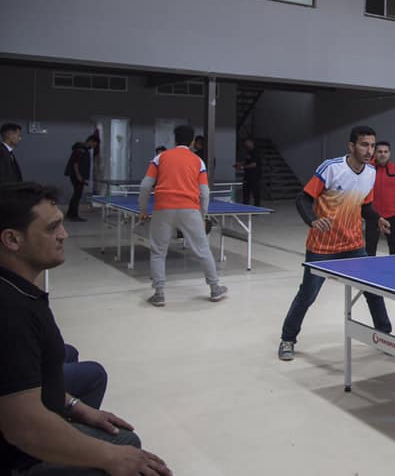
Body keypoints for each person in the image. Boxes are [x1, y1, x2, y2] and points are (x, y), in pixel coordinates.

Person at [0, 182, 172, 476]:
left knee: (82, 366)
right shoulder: (11, 311)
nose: (64, 235)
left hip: (29, 418)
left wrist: (75, 406)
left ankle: (64, 427)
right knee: (128, 443)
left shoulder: (18, 289)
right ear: (12, 239)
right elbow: (23, 426)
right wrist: (111, 456)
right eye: (52, 228)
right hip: (16, 457)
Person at [278, 126, 393, 361]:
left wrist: (377, 218)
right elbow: (303, 199)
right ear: (351, 146)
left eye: (372, 146)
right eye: (364, 145)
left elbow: (365, 206)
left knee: (373, 290)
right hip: (323, 247)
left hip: (353, 245)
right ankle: (287, 339)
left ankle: (385, 336)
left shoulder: (371, 172)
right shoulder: (331, 168)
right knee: (307, 295)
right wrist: (312, 220)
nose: (369, 151)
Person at [137, 125, 227, 307]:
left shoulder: (160, 158)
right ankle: (215, 288)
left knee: (158, 251)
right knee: (203, 249)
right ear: (192, 141)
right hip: (190, 209)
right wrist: (202, 214)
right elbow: (205, 192)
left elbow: (145, 186)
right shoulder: (198, 161)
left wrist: (143, 209)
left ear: (175, 139)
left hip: (162, 209)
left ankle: (159, 293)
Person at [366, 141, 395, 256]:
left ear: (389, 153)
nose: (383, 154)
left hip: (392, 216)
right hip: (373, 215)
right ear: (375, 153)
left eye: (385, 152)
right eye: (380, 152)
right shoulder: (367, 169)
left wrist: (394, 196)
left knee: (394, 249)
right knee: (370, 250)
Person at [64, 136, 99, 222]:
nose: (94, 146)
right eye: (94, 144)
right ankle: (74, 215)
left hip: (78, 176)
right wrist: (78, 176)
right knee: (77, 195)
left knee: (76, 195)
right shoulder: (81, 149)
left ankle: (70, 213)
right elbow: (75, 163)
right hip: (77, 176)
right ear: (91, 141)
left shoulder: (84, 149)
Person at [233, 139, 261, 207]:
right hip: (247, 175)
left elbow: (254, 164)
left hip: (254, 175)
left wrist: (243, 167)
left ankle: (257, 206)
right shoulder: (248, 151)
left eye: (247, 143)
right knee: (245, 191)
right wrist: (239, 164)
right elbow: (246, 161)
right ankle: (245, 206)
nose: (246, 145)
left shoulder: (256, 152)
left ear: (251, 143)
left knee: (255, 192)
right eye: (245, 144)